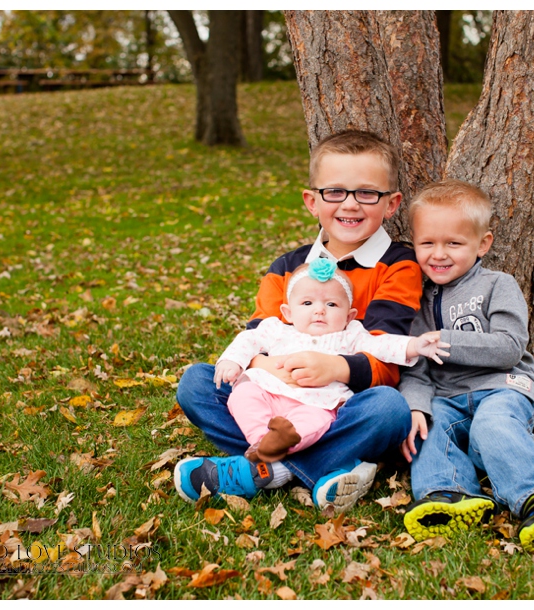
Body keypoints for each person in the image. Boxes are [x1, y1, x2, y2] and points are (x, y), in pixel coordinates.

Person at [174, 130, 423, 512]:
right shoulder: (287, 267)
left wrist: (334, 367)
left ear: (391, 204)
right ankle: (324, 464)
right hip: (273, 393)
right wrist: (264, 365)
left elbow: (387, 360)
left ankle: (268, 471)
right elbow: (259, 333)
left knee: (389, 410)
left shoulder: (399, 265)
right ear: (312, 200)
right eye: (335, 192)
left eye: (367, 193)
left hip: (340, 408)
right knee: (196, 383)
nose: (351, 205)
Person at [398, 180, 534, 552]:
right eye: (427, 243)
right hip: (446, 396)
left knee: (493, 425)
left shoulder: (498, 285)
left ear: (482, 244)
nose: (439, 254)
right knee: (427, 429)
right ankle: (447, 491)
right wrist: (416, 405)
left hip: (504, 386)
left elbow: (508, 347)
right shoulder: (417, 301)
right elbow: (416, 367)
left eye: (453, 243)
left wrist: (443, 340)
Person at [212, 260, 447, 465]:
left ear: (349, 316)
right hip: (269, 392)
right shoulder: (277, 329)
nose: (319, 311)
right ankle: (261, 442)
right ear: (289, 312)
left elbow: (381, 345)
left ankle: (277, 451)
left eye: (331, 304)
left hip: (317, 402)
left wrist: (414, 346)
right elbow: (248, 339)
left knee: (317, 422)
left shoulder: (351, 334)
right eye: (307, 303)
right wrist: (233, 360)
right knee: (240, 394)